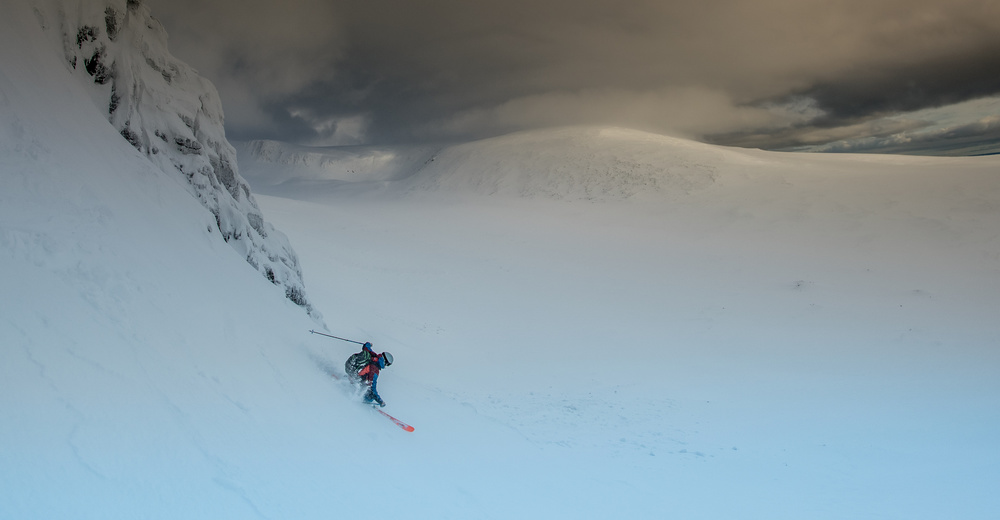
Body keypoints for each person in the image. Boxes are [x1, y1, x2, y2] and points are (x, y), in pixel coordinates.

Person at [345, 342, 393, 407]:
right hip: (355, 377)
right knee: (370, 395)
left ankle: (348, 379)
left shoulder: (373, 355)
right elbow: (373, 389)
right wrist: (380, 401)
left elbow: (366, 347)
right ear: (385, 362)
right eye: (387, 365)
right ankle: (362, 402)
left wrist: (369, 344)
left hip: (350, 367)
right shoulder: (374, 369)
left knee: (364, 380)